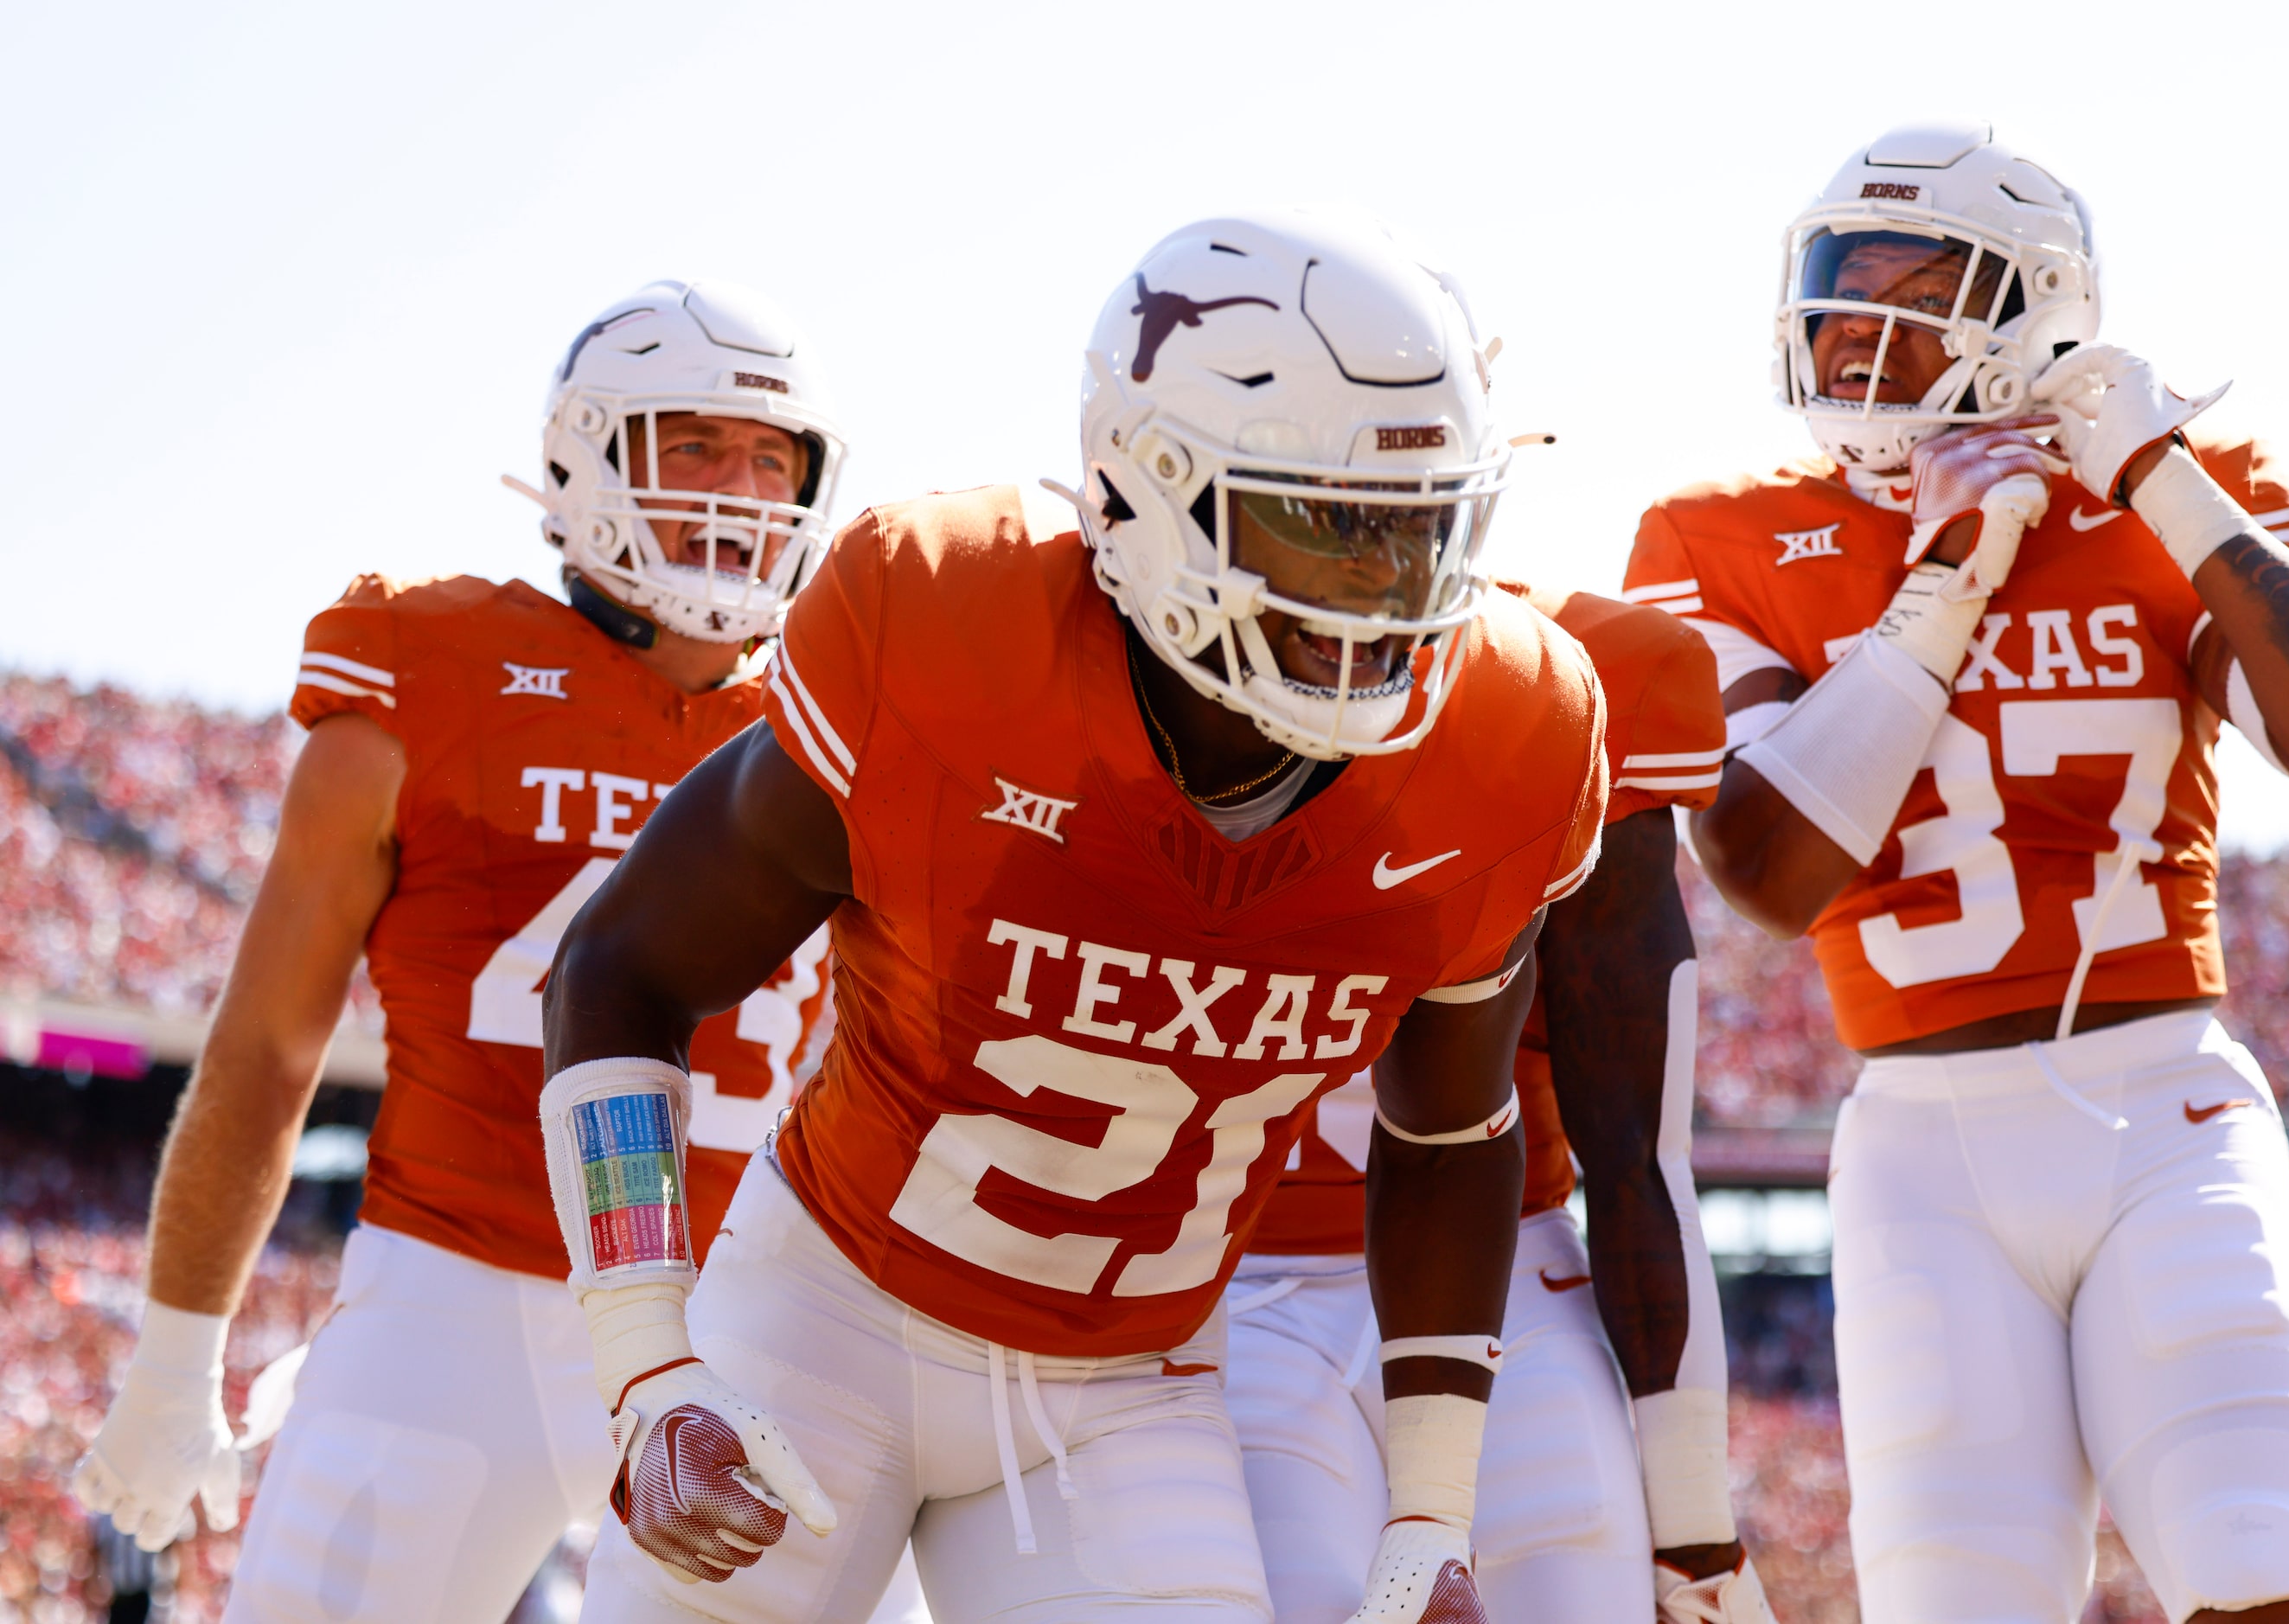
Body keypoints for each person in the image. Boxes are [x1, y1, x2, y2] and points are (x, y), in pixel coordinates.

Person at [536, 212, 1609, 1623]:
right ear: (1141, 492)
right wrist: (647, 1354)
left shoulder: (1511, 726)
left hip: (1125, 1385)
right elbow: (618, 970)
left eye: (1419, 534)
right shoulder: (943, 632)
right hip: (824, 1313)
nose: (1383, 592)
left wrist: (1429, 1513)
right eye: (1325, 524)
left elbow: (1452, 1129)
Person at [1626, 123, 2289, 1623]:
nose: (1855, 332)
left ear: (2036, 309)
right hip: (1916, 1147)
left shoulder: (2177, 490)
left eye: (1911, 290)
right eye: (1836, 290)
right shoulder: (1713, 534)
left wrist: (2157, 478)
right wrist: (1938, 590)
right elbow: (1765, 872)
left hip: (2167, 1106)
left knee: (2275, 1573)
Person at [72, 278, 850, 1623]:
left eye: (770, 458)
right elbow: (266, 1048)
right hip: (456, 1289)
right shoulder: (426, 668)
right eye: (695, 446)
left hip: (740, 1316)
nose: (737, 488)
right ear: (587, 457)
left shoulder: (844, 713)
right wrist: (174, 1356)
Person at [1227, 578, 1779, 1622]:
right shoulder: (1137, 688)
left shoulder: (1558, 685)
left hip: (1505, 1272)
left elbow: (1633, 1150)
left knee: (1574, 1577)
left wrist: (1696, 1533)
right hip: (1230, 1275)